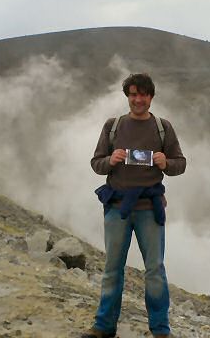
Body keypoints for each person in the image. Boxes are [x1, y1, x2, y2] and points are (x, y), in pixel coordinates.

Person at [83, 73, 186, 338]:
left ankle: (161, 329)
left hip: (149, 210)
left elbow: (180, 164)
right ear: (127, 97)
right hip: (117, 207)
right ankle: (104, 327)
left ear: (151, 97)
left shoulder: (163, 127)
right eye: (133, 94)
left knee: (154, 270)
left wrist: (166, 163)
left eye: (143, 94)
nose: (137, 99)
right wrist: (111, 161)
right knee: (112, 268)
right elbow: (96, 163)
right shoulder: (113, 125)